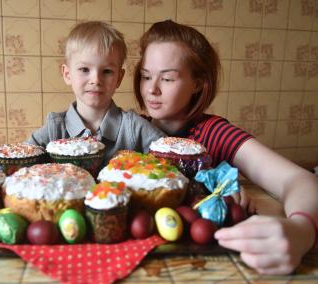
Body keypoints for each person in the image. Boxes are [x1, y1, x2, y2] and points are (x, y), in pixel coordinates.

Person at [0, 21, 165, 215]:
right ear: (67, 73)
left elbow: (174, 163)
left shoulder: (134, 128)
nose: (96, 79)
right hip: (56, 228)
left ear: (119, 78)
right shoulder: (54, 128)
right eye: (84, 69)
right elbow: (5, 168)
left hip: (119, 229)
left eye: (107, 71)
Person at [133, 19, 318, 275]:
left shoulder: (213, 133)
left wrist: (302, 230)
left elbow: (299, 180)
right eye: (145, 76)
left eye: (167, 78)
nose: (152, 89)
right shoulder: (129, 131)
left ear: (197, 83)